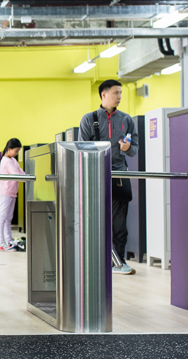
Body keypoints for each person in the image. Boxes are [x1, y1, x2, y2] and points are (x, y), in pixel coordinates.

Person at [79, 79, 138, 275]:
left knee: (119, 225)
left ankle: (118, 262)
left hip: (119, 175)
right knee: (94, 222)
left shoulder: (127, 120)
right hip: (96, 176)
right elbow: (82, 149)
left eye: (121, 93)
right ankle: (95, 261)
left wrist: (127, 148)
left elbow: (134, 149)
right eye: (116, 93)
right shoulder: (89, 119)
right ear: (103, 95)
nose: (120, 96)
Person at [0, 138, 24, 252]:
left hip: (12, 192)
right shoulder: (5, 160)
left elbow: (20, 172)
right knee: (2, 217)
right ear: (9, 149)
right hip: (5, 192)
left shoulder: (13, 160)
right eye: (16, 151)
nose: (17, 154)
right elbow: (15, 173)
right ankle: (1, 241)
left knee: (8, 218)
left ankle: (9, 240)